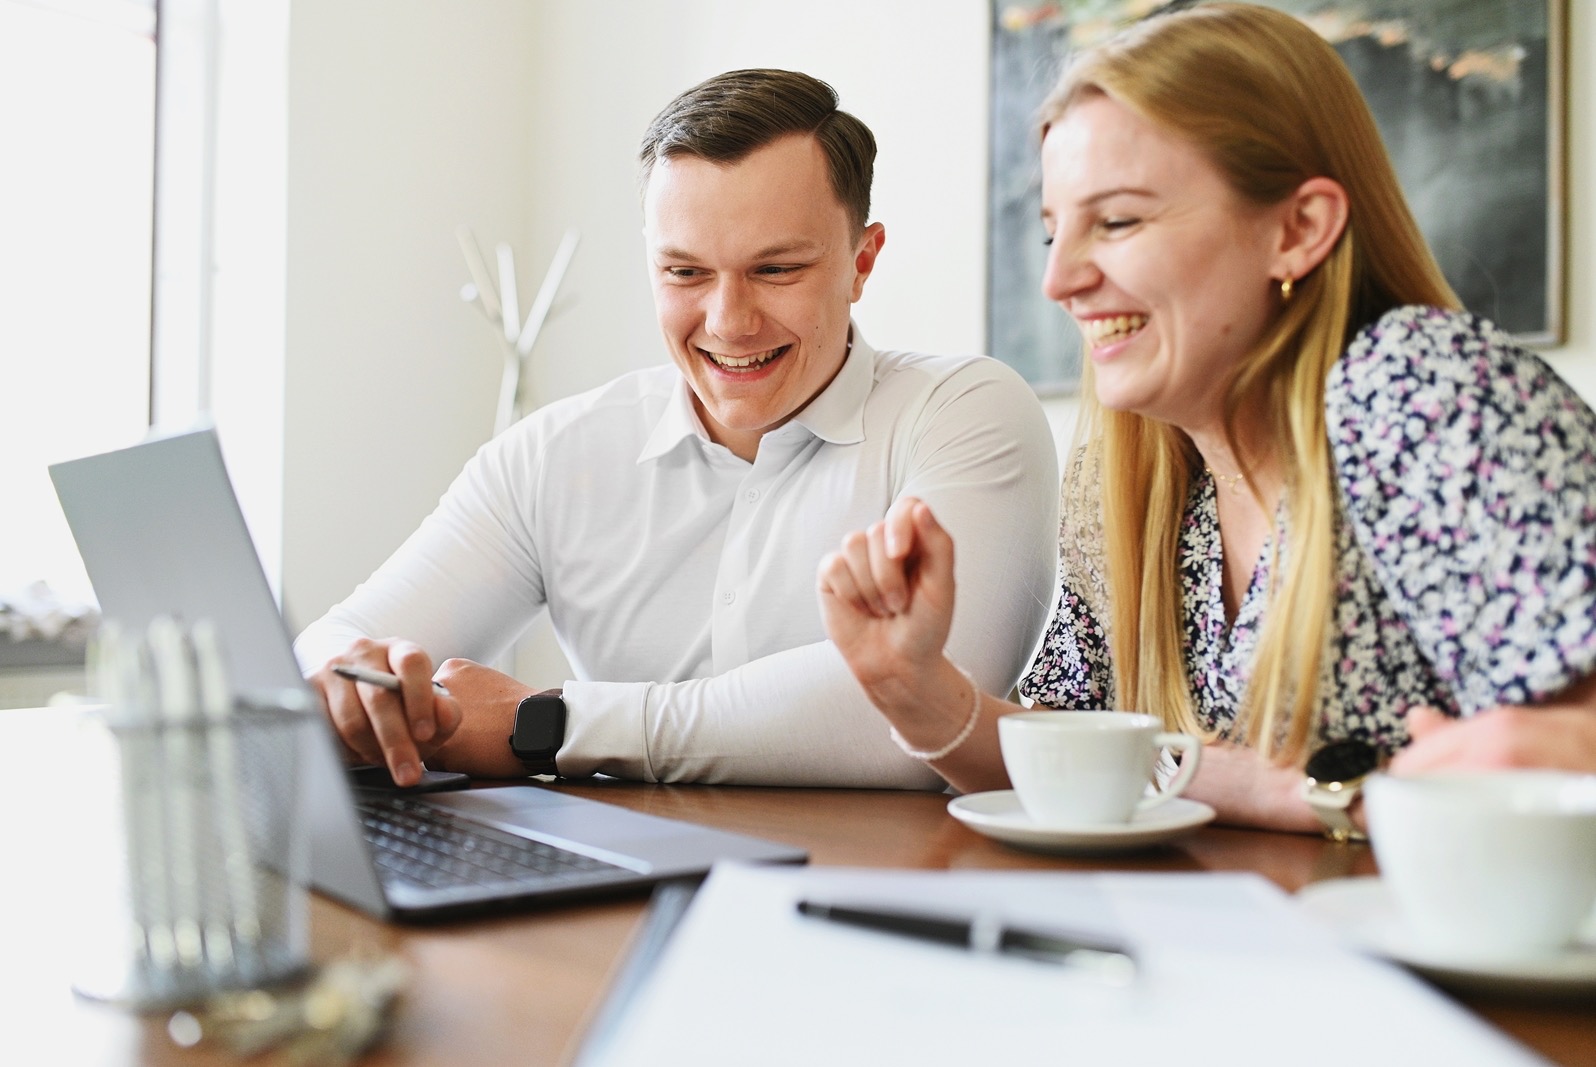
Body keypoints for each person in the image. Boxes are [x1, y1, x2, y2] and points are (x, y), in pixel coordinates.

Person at [817, 3, 1596, 833]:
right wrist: (917, 687)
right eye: (1054, 231)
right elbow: (1083, 752)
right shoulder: (1125, 471)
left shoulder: (1415, 388)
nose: (1059, 280)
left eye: (1117, 220)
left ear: (1297, 229)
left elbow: (1563, 748)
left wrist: (1270, 787)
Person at [294, 69, 1059, 789]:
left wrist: (552, 724)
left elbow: (929, 710)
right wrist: (347, 681)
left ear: (863, 261)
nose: (729, 321)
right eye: (685, 273)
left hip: (880, 893)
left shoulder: (964, 413)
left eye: (777, 270)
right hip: (614, 904)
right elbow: (342, 640)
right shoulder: (555, 455)